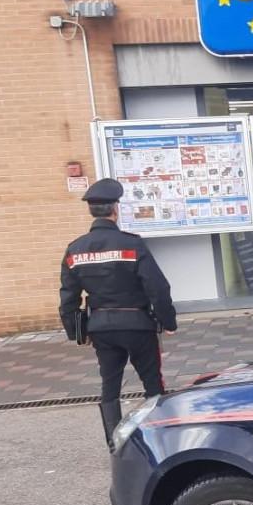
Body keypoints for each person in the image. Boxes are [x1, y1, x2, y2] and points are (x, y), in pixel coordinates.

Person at [59, 178, 177, 448]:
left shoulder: (75, 250)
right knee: (153, 384)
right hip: (138, 326)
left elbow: (68, 297)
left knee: (110, 387)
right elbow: (157, 287)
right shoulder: (132, 245)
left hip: (102, 329)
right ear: (115, 209)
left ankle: (115, 444)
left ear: (91, 211)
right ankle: (160, 439)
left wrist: (78, 333)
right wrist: (168, 321)